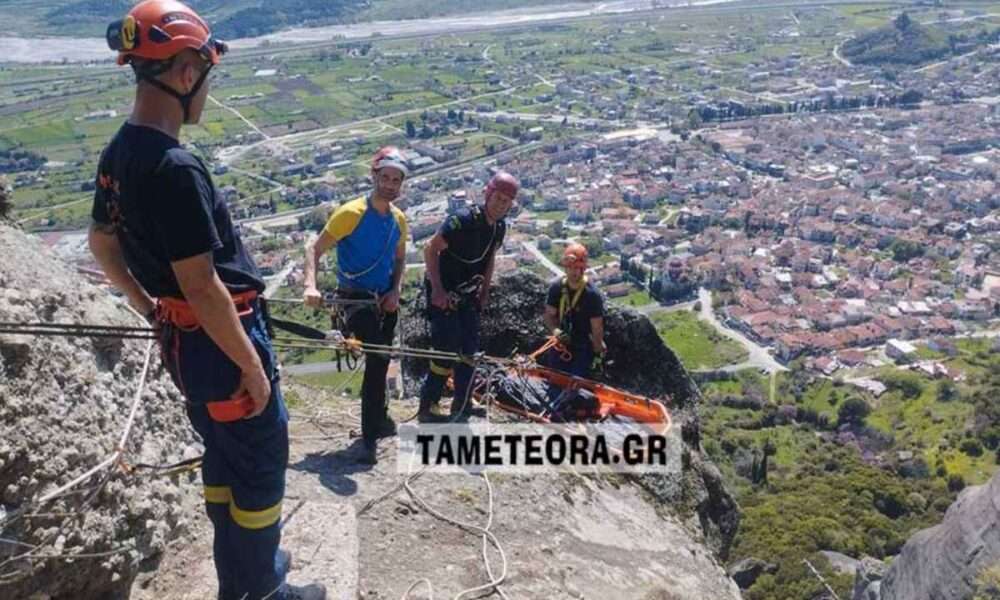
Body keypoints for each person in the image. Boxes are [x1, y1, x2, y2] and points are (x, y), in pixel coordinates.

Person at [88, 2, 324, 599]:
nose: (206, 91)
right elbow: (202, 284)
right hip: (221, 343)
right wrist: (251, 364)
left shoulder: (119, 152)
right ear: (186, 72)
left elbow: (102, 243)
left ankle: (246, 563)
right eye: (206, 75)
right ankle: (260, 587)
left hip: (185, 343)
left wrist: (149, 308)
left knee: (222, 455)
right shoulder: (175, 167)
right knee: (262, 459)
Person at [303, 146, 409, 464]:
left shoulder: (398, 220)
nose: (390, 184)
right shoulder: (352, 213)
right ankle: (370, 436)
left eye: (396, 180)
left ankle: (380, 419)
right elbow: (314, 248)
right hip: (353, 299)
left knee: (382, 357)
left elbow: (400, 260)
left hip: (384, 299)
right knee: (377, 361)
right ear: (374, 176)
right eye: (385, 177)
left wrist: (395, 291)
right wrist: (311, 285)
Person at [420, 171, 517, 422]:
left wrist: (484, 291)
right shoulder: (462, 220)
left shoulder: (498, 227)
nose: (500, 204)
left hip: (469, 293)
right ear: (487, 194)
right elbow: (430, 250)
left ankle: (461, 402)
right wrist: (438, 291)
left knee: (470, 349)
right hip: (445, 291)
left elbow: (489, 258)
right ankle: (428, 405)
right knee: (445, 347)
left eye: (506, 201)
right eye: (497, 198)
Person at [543, 243, 607, 380]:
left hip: (583, 345)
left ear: (583, 269)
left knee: (574, 383)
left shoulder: (592, 294)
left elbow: (597, 329)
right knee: (554, 379)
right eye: (570, 267)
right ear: (565, 268)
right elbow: (549, 316)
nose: (573, 271)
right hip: (562, 342)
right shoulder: (557, 288)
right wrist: (555, 331)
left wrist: (597, 354)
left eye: (577, 268)